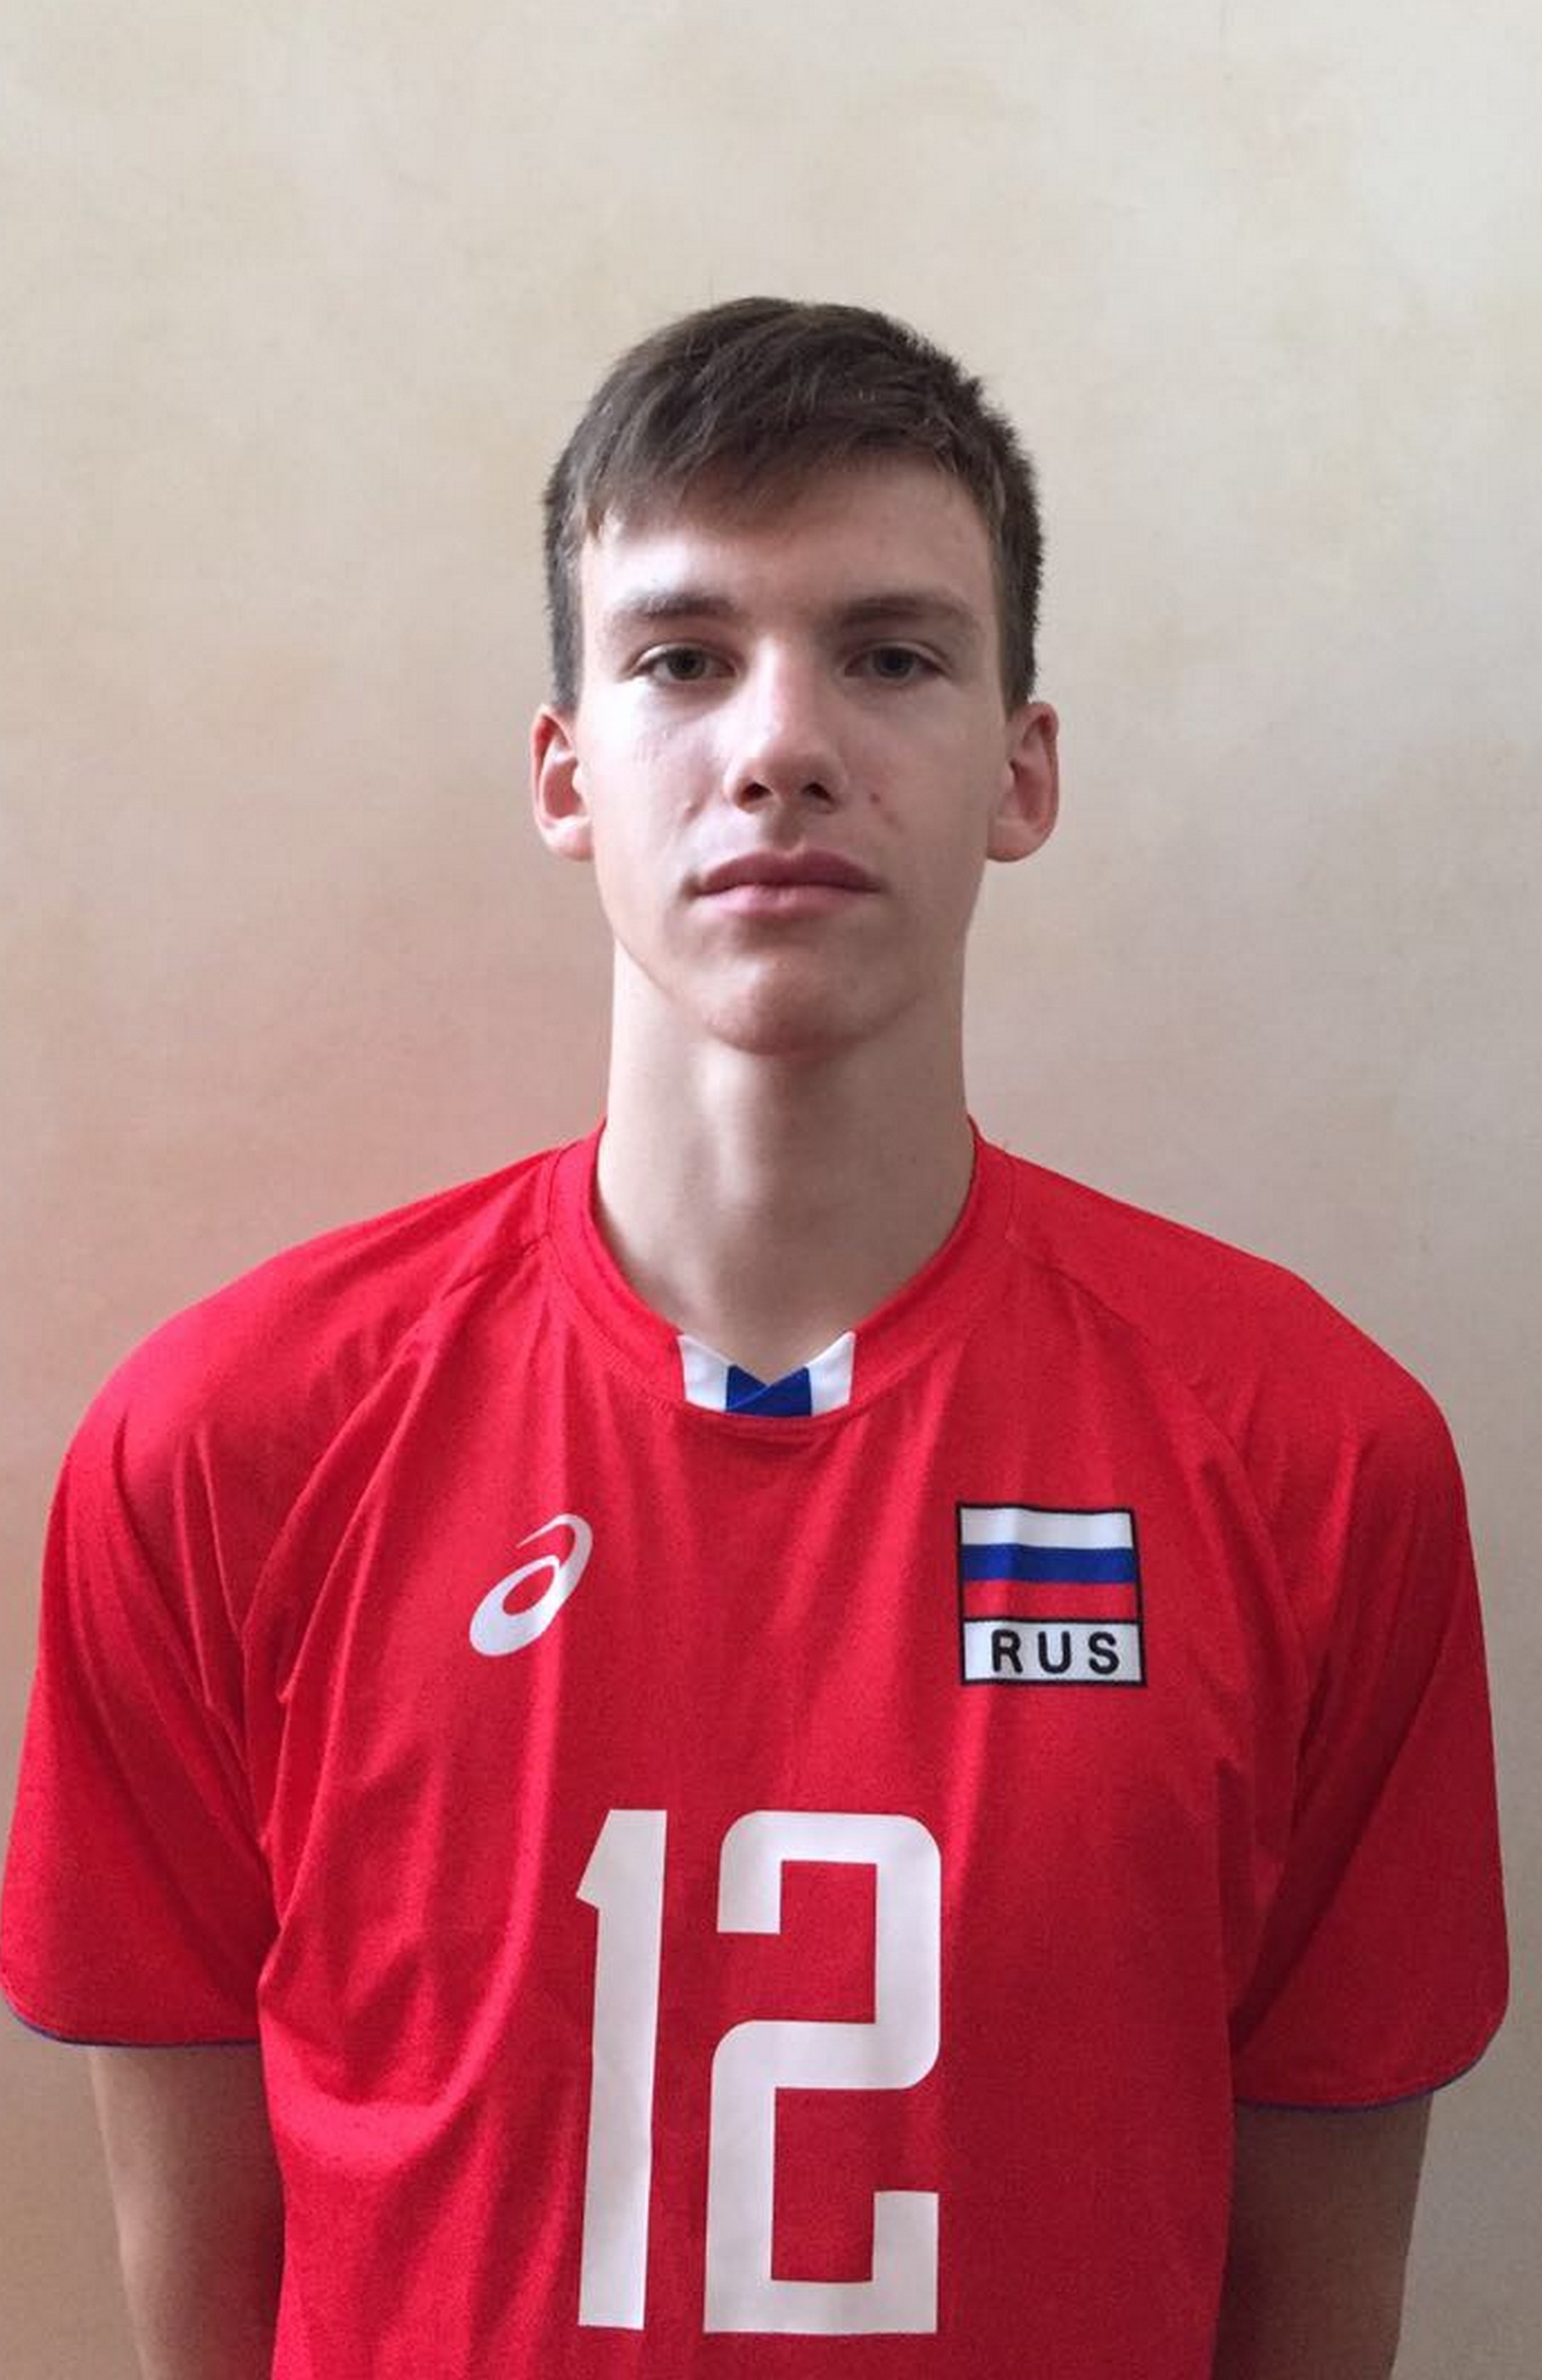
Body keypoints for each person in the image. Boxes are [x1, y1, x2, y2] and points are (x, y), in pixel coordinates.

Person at [1, 297, 1507, 2380]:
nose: (780, 741)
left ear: (1020, 770)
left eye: (890, 654)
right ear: (565, 772)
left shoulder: (1313, 1459)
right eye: (681, 656)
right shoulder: (220, 1444)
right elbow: (207, 2290)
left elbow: (1312, 2296)